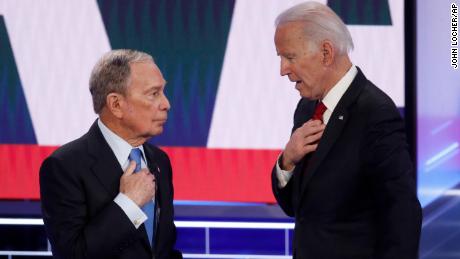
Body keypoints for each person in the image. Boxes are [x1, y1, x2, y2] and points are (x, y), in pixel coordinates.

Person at [271, 2, 422, 258]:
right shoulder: (307, 109)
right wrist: (287, 161)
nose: (283, 69)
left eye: (290, 57)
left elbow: (402, 216)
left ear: (326, 53)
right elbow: (296, 208)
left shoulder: (376, 114)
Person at [40, 49, 182, 259]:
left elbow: (161, 250)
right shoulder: (64, 166)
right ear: (116, 104)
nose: (166, 104)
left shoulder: (160, 160)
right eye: (154, 93)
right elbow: (73, 255)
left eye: (163, 92)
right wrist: (128, 204)